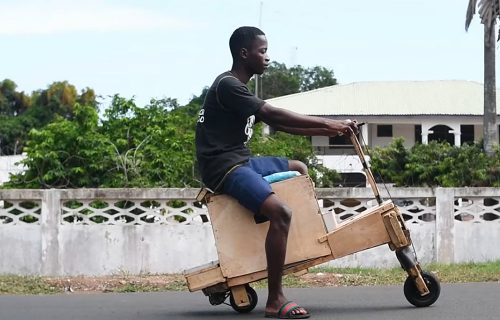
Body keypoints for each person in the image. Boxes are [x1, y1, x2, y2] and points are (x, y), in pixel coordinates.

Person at [195, 26, 358, 319]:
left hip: (241, 160)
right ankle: (275, 299)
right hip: (224, 167)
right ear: (245, 54)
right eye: (263, 51)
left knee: (298, 169)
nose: (268, 57)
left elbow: (282, 125)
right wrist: (330, 123)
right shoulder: (229, 85)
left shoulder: (239, 88)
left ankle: (286, 241)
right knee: (281, 212)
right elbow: (272, 114)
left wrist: (332, 129)